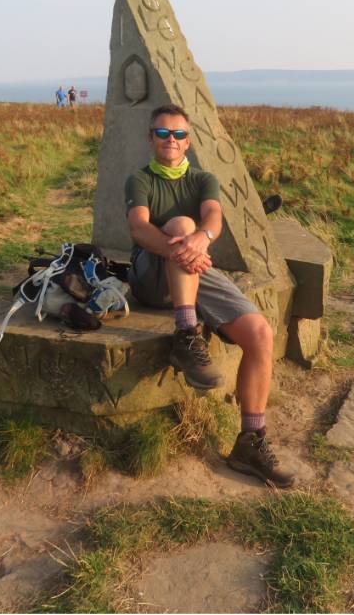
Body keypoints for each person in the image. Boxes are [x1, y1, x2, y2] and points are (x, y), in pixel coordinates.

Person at [124, 103, 295, 487]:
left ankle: (251, 440)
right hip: (152, 277)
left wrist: (201, 239)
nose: (171, 140)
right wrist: (182, 246)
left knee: (260, 333)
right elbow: (138, 229)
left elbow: (213, 216)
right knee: (183, 224)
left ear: (188, 141)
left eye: (179, 134)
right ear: (151, 138)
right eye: (163, 133)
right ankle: (187, 334)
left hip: (194, 267)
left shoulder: (203, 180)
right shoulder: (140, 180)